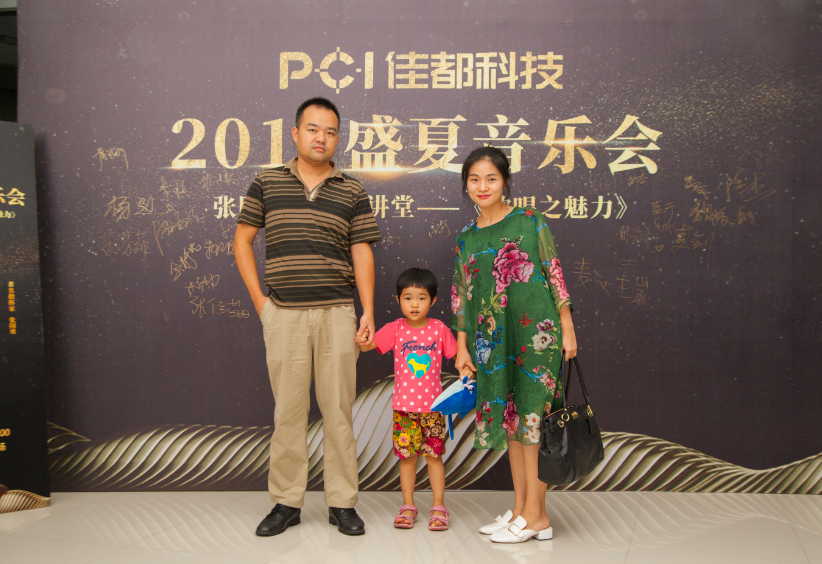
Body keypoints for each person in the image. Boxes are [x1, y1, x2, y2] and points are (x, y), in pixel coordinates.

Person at [234, 97, 381, 537]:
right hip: (284, 315)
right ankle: (286, 502)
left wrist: (368, 311)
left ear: (338, 138)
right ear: (296, 133)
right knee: (289, 413)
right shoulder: (267, 182)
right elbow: (242, 241)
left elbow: (361, 251)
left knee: (338, 412)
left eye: (331, 131)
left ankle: (342, 503)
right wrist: (261, 303)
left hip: (337, 313)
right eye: (313, 129)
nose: (322, 138)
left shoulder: (351, 190)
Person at [451, 146, 577, 544]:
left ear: (505, 181)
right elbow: (461, 296)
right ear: (466, 185)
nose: (482, 186)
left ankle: (537, 516)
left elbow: (553, 272)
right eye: (474, 179)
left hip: (536, 336)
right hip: (492, 341)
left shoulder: (529, 220)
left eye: (491, 178)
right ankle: (522, 508)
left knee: (533, 422)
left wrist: (567, 325)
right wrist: (462, 346)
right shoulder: (466, 237)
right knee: (513, 424)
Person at [357, 268, 457, 531]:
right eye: (408, 298)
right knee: (407, 458)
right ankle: (408, 506)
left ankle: (439, 506)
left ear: (433, 300)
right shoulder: (395, 329)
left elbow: (458, 355)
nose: (414, 304)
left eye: (422, 298)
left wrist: (467, 368)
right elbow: (368, 346)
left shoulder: (439, 329)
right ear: (398, 299)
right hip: (403, 410)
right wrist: (362, 338)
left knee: (434, 458)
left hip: (434, 409)